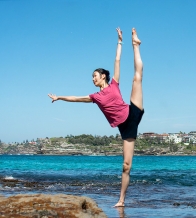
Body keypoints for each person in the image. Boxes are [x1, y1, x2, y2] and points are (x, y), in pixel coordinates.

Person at [48, 27, 144, 207]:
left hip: (133, 112)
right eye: (92, 77)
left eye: (95, 76)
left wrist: (120, 41)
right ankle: (122, 200)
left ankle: (136, 45)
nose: (93, 79)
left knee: (137, 79)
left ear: (103, 76)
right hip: (126, 127)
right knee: (126, 165)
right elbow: (76, 98)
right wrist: (59, 97)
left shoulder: (114, 83)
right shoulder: (95, 97)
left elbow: (117, 60)